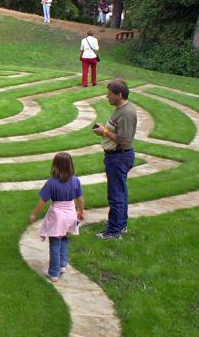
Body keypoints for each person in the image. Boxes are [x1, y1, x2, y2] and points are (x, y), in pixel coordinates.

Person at [29, 152, 85, 282]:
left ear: (55, 166)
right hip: (70, 214)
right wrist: (80, 211)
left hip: (57, 216)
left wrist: (34, 214)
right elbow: (80, 199)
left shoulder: (51, 183)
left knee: (55, 242)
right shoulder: (75, 180)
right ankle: (62, 264)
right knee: (64, 237)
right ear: (71, 165)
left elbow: (42, 201)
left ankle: (53, 273)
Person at [92, 80, 137, 239]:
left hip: (119, 157)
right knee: (121, 193)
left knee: (116, 195)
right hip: (118, 156)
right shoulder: (122, 109)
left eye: (110, 94)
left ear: (119, 95)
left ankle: (114, 232)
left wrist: (104, 132)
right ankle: (119, 224)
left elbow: (124, 140)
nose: (107, 96)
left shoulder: (126, 114)